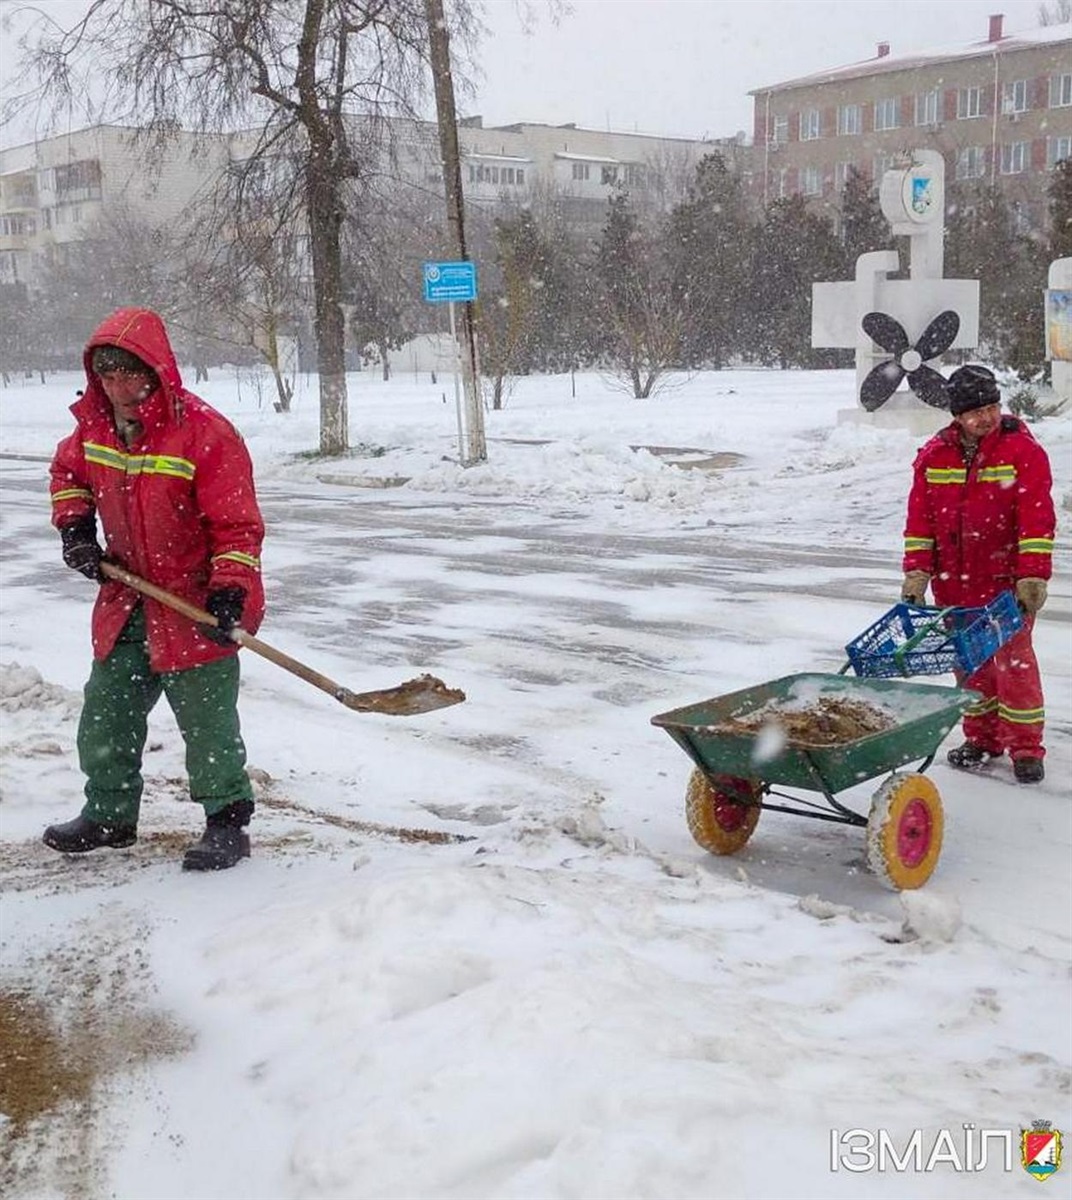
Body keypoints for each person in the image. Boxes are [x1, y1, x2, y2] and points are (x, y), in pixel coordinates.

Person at [45, 307, 266, 868]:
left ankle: (227, 822)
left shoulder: (205, 434)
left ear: (156, 372)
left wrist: (230, 590)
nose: (118, 388)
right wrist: (76, 528)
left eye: (129, 375)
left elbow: (237, 527)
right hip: (127, 597)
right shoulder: (94, 428)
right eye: (107, 375)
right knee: (106, 714)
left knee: (207, 724)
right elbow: (67, 473)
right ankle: (110, 814)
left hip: (195, 601)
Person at [901, 364, 1055, 784]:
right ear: (958, 415)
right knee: (970, 665)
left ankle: (1026, 748)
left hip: (1005, 584)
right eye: (976, 412)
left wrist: (1032, 575)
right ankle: (982, 738)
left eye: (992, 407)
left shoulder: (1022, 452)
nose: (986, 417)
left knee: (1014, 666)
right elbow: (921, 522)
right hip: (954, 584)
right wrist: (917, 573)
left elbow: (1037, 521)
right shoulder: (934, 456)